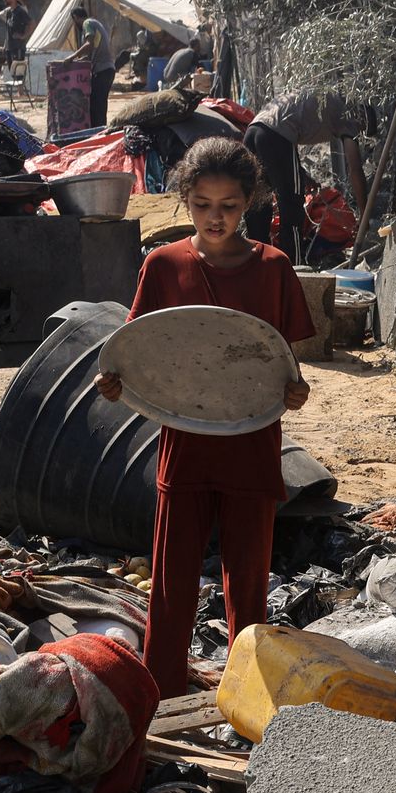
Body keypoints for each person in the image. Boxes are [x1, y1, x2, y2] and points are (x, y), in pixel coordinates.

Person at [95, 138, 315, 699]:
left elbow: (278, 363)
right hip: (186, 442)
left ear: (251, 204)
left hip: (252, 441)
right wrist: (117, 383)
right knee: (170, 583)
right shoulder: (163, 265)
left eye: (229, 206)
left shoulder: (274, 268)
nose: (215, 218)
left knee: (249, 583)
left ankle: (250, 698)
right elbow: (141, 353)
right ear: (185, 201)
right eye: (202, 204)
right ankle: (160, 691)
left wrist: (293, 394)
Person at [241, 92, 374, 263]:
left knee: (258, 208)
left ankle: (257, 266)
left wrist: (302, 177)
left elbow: (286, 128)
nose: (358, 135)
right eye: (362, 132)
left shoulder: (330, 96)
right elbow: (355, 169)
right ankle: (293, 269)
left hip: (254, 129)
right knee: (292, 211)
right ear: (363, 119)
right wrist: (364, 214)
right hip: (275, 136)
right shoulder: (351, 116)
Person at [69, 7, 115, 127]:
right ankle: (101, 130)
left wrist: (71, 58)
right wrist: (79, 60)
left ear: (75, 18)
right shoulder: (96, 24)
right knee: (100, 105)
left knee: (96, 105)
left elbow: (89, 45)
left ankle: (97, 133)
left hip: (102, 70)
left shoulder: (87, 23)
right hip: (108, 69)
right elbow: (89, 56)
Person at [0, 0, 31, 65]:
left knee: (18, 72)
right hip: (9, 48)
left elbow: (31, 24)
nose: (6, 0)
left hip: (18, 47)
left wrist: (23, 36)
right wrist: (5, 45)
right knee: (12, 72)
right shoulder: (9, 12)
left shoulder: (20, 11)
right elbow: (9, 30)